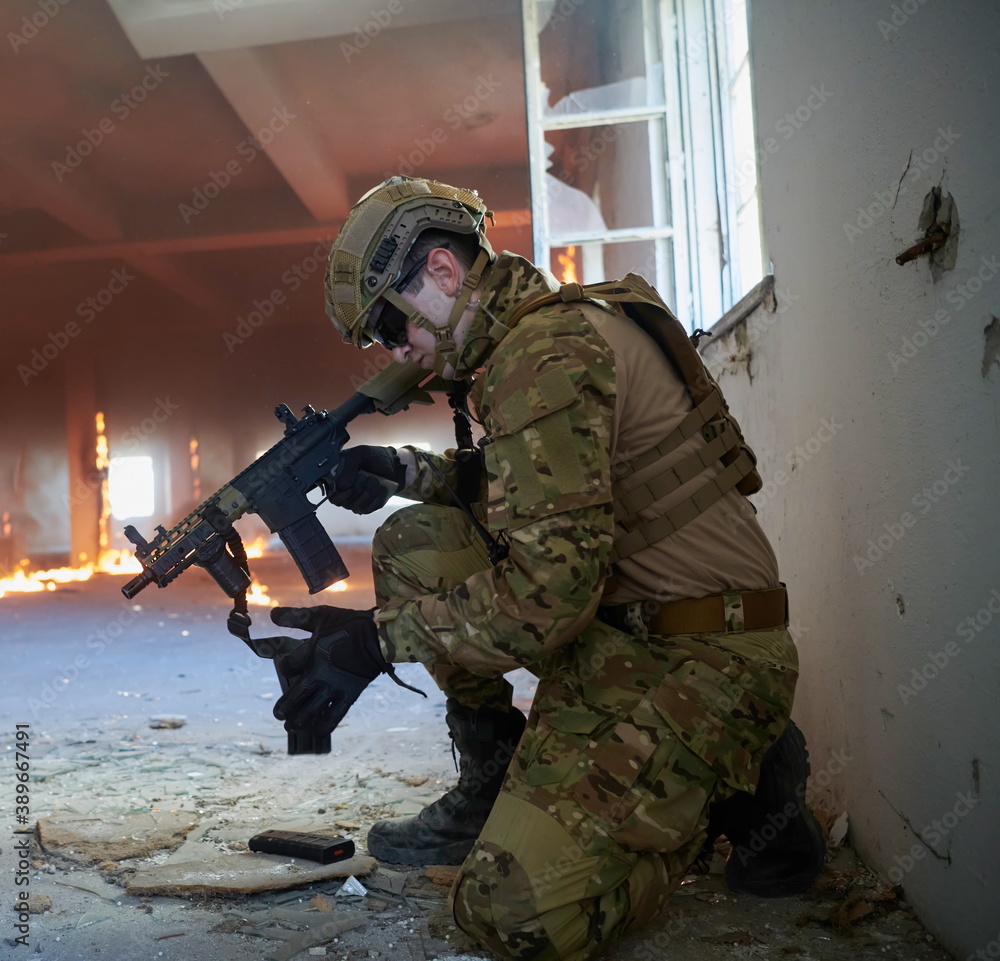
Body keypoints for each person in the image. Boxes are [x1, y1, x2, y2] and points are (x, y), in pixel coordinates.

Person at [267, 176, 825, 961]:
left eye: (391, 325)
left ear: (442, 273)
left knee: (509, 915)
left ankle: (734, 794)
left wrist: (370, 641)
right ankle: (498, 778)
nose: (394, 353)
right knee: (414, 544)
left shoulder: (544, 354)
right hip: (626, 624)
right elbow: (535, 492)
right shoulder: (532, 338)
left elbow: (543, 598)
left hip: (702, 657)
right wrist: (403, 470)